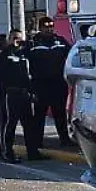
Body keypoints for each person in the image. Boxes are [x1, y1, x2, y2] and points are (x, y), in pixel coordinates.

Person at [0, 29, 43, 163]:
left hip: (24, 93)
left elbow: (30, 73)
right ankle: (7, 152)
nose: (17, 41)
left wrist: (32, 92)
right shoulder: (3, 55)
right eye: (14, 38)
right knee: (10, 124)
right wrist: (0, 96)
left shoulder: (24, 54)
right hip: (11, 93)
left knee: (29, 125)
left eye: (19, 38)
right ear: (9, 39)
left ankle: (33, 152)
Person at [26, 16, 75, 148]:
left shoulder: (60, 42)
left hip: (58, 85)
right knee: (39, 115)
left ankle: (64, 140)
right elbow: (25, 64)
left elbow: (72, 55)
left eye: (51, 26)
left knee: (60, 114)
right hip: (40, 85)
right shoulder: (32, 44)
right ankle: (37, 141)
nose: (49, 29)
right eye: (46, 26)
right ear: (40, 28)